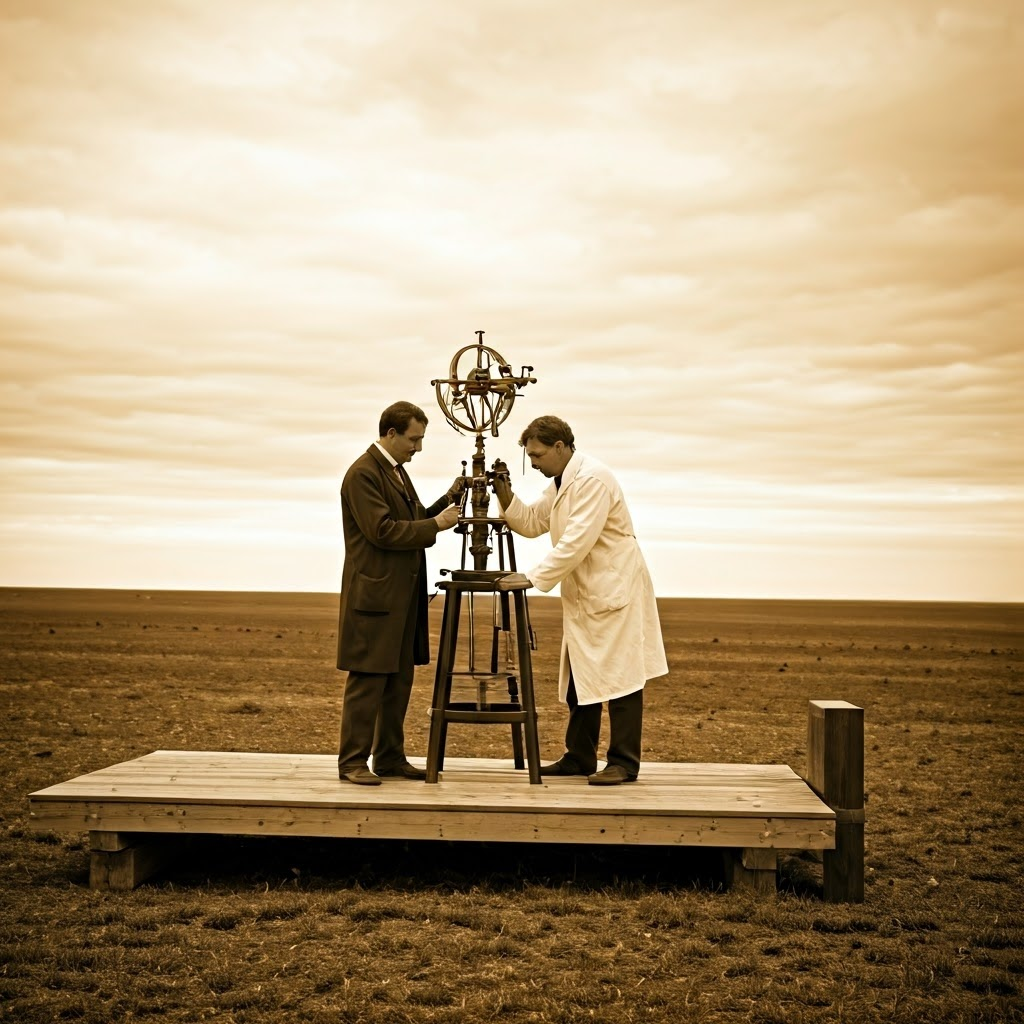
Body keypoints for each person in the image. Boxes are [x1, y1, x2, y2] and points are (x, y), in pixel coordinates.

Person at [492, 415, 668, 786]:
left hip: (612, 590)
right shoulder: (561, 482)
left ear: (560, 447)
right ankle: (580, 756)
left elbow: (577, 541)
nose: (534, 463)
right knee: (580, 677)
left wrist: (532, 578)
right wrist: (503, 492)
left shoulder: (591, 479)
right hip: (587, 594)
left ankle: (623, 762)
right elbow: (531, 522)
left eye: (537, 455)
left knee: (623, 678)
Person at [336, 401, 464, 785]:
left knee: (398, 680)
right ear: (390, 433)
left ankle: (389, 757)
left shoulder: (394, 471)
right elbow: (384, 530)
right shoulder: (362, 474)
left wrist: (446, 499)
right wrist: (439, 525)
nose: (418, 448)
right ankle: (352, 762)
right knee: (369, 680)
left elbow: (412, 518)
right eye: (414, 439)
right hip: (376, 598)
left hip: (401, 599)